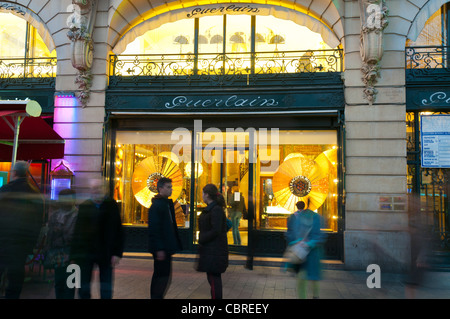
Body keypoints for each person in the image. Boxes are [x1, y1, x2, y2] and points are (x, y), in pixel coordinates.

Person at [70, 178, 124, 299]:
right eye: (94, 188)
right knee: (84, 286)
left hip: (106, 252)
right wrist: (74, 255)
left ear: (105, 189)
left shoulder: (112, 205)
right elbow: (77, 231)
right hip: (86, 253)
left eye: (99, 188)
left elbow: (118, 231)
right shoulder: (85, 206)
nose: (96, 191)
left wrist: (117, 253)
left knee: (106, 287)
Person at [0, 161, 43, 299]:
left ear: (14, 173)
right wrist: (32, 242)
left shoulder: (5, 189)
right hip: (22, 243)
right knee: (16, 277)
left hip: (3, 240)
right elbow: (38, 221)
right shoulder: (35, 193)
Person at [148, 177, 182, 299]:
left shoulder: (166, 204)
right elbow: (154, 229)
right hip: (162, 248)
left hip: (166, 246)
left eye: (171, 187)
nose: (171, 190)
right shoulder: (157, 206)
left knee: (164, 276)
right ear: (160, 188)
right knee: (161, 276)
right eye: (168, 187)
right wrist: (159, 248)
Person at [285, 200, 326, 299]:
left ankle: (312, 296)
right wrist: (308, 243)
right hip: (310, 254)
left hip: (302, 254)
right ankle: (315, 296)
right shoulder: (316, 217)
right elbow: (320, 236)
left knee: (303, 279)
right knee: (309, 278)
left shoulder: (294, 217)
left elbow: (289, 234)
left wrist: (297, 242)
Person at [196, 184, 228, 299]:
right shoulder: (213, 208)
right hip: (211, 250)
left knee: (214, 281)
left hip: (214, 250)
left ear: (207, 195)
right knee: (212, 279)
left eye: (203, 193)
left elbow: (216, 230)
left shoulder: (215, 210)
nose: (202, 196)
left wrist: (202, 238)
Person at [44, 188, 78, 299]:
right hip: (57, 255)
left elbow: (75, 237)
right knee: (59, 284)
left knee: (70, 286)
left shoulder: (78, 216)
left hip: (72, 255)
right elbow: (50, 235)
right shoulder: (55, 215)